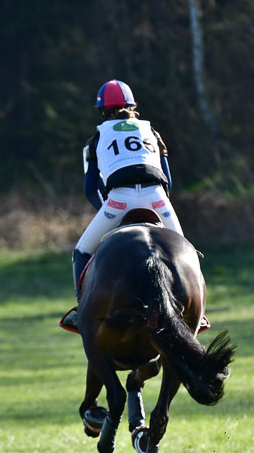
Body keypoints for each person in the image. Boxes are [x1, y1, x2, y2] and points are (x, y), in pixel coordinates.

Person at [60, 78, 184, 332]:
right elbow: (168, 181)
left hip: (119, 200)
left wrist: (108, 213)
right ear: (133, 106)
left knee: (81, 250)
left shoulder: (95, 140)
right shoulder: (152, 133)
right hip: (157, 197)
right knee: (185, 251)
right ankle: (193, 311)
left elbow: (90, 188)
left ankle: (82, 310)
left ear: (102, 111)